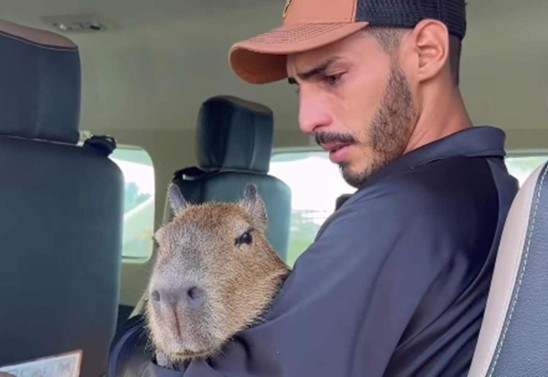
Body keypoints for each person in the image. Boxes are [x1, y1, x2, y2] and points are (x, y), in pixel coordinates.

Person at [109, 0, 519, 375]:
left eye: (334, 75)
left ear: (427, 51)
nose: (307, 119)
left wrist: (134, 349)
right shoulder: (488, 186)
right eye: (298, 86)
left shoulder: (399, 211)